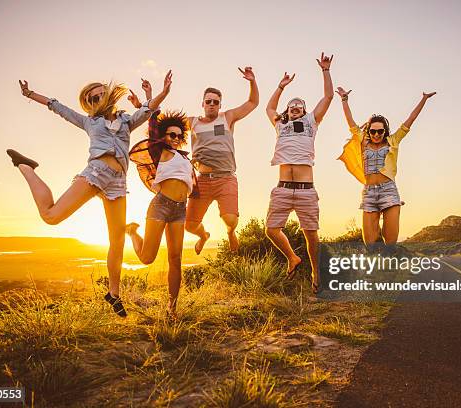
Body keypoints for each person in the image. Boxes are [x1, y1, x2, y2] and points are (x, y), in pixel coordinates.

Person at [6, 72, 172, 317]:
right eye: (91, 99)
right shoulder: (89, 122)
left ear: (108, 95)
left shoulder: (126, 121)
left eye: (99, 94)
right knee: (51, 216)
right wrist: (30, 94)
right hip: (96, 172)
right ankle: (26, 167)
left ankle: (114, 295)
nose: (96, 100)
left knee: (117, 241)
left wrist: (164, 91)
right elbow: (58, 107)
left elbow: (148, 110)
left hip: (117, 182)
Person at [264, 53, 334, 294]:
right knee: (271, 230)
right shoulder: (280, 124)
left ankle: (316, 273)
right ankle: (292, 258)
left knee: (311, 234)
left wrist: (325, 71)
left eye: (299, 106)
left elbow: (328, 97)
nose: (295, 107)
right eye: (292, 106)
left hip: (306, 190)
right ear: (288, 111)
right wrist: (281, 86)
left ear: (304, 111)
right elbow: (270, 107)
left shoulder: (312, 122)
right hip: (282, 187)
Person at [336, 86, 436, 251]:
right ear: (369, 130)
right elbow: (351, 123)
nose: (376, 134)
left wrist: (423, 99)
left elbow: (410, 120)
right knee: (369, 243)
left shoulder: (393, 140)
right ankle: (379, 228)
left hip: (388, 190)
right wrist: (344, 100)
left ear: (385, 131)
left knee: (390, 242)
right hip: (368, 192)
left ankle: (392, 211)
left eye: (380, 131)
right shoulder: (362, 141)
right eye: (373, 131)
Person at [125, 110, 194, 318]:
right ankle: (132, 233)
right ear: (164, 136)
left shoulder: (185, 159)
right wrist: (150, 103)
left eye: (178, 135)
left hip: (180, 210)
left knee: (175, 258)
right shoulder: (159, 152)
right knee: (147, 258)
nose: (174, 138)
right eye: (170, 134)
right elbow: (153, 128)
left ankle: (171, 307)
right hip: (161, 206)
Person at [184, 67, 259, 254]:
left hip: (226, 178)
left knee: (230, 219)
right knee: (189, 226)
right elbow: (164, 121)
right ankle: (204, 236)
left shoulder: (227, 117)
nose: (211, 104)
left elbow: (252, 102)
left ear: (219, 105)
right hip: (202, 180)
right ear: (202, 103)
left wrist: (252, 81)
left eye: (215, 102)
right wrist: (147, 99)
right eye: (208, 101)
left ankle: (231, 232)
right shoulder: (192, 122)